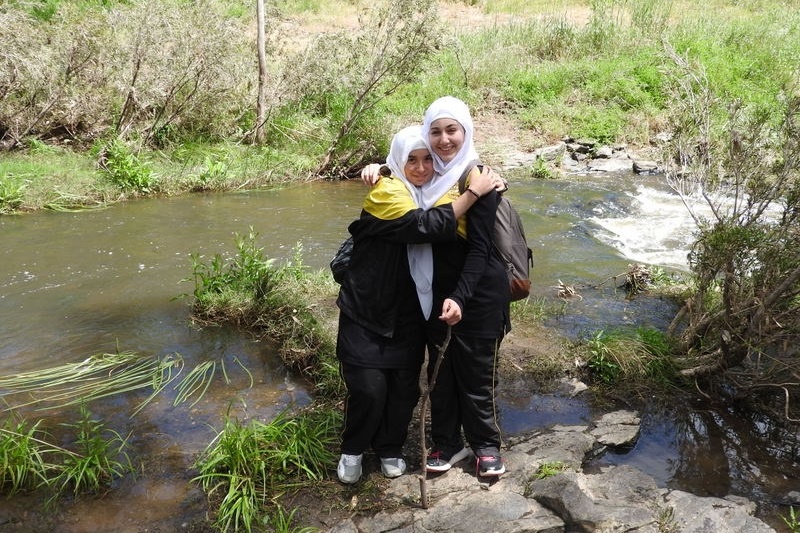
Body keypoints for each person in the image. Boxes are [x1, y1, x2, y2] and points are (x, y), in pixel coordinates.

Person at [335, 124, 497, 484]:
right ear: (398, 161)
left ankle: (391, 447)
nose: (422, 168)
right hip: (368, 308)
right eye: (412, 160)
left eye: (428, 160)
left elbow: (459, 200)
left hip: (410, 311)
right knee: (368, 387)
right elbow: (423, 226)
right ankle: (354, 448)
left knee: (404, 387)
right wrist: (473, 192)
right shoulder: (387, 190)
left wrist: (487, 184)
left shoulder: (432, 192)